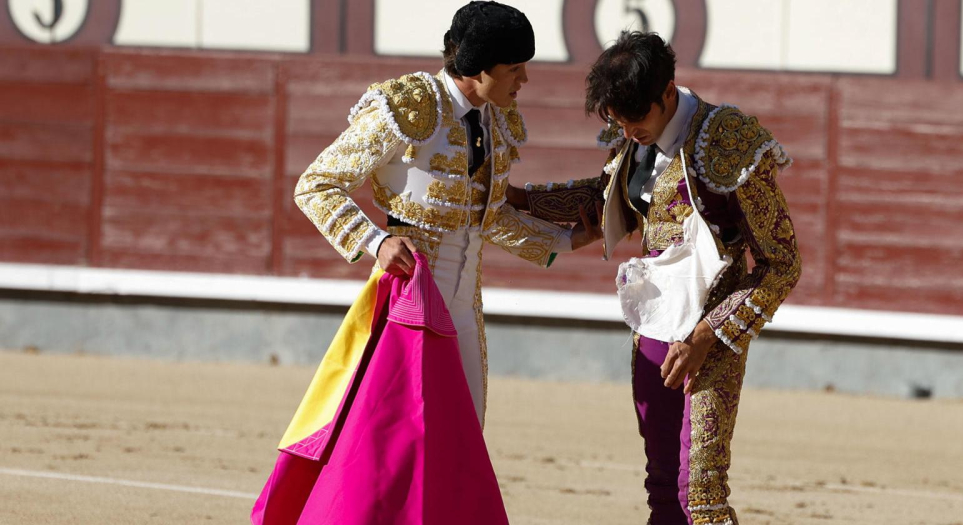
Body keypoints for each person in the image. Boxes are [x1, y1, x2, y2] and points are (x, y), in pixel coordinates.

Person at [252, 3, 589, 523]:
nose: (524, 78)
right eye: (515, 68)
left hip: (464, 309)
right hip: (408, 306)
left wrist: (565, 243)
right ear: (480, 69)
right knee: (394, 446)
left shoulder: (498, 118)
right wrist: (375, 241)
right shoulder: (409, 107)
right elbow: (315, 185)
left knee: (461, 439)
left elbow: (486, 216)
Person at [510, 31, 802, 525]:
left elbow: (783, 262)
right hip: (654, 324)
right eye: (616, 121)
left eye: (636, 118)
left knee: (701, 494)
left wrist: (708, 335)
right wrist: (516, 199)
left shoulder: (726, 140)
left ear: (668, 93)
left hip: (711, 333)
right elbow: (600, 198)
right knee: (663, 487)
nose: (627, 132)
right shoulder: (632, 137)